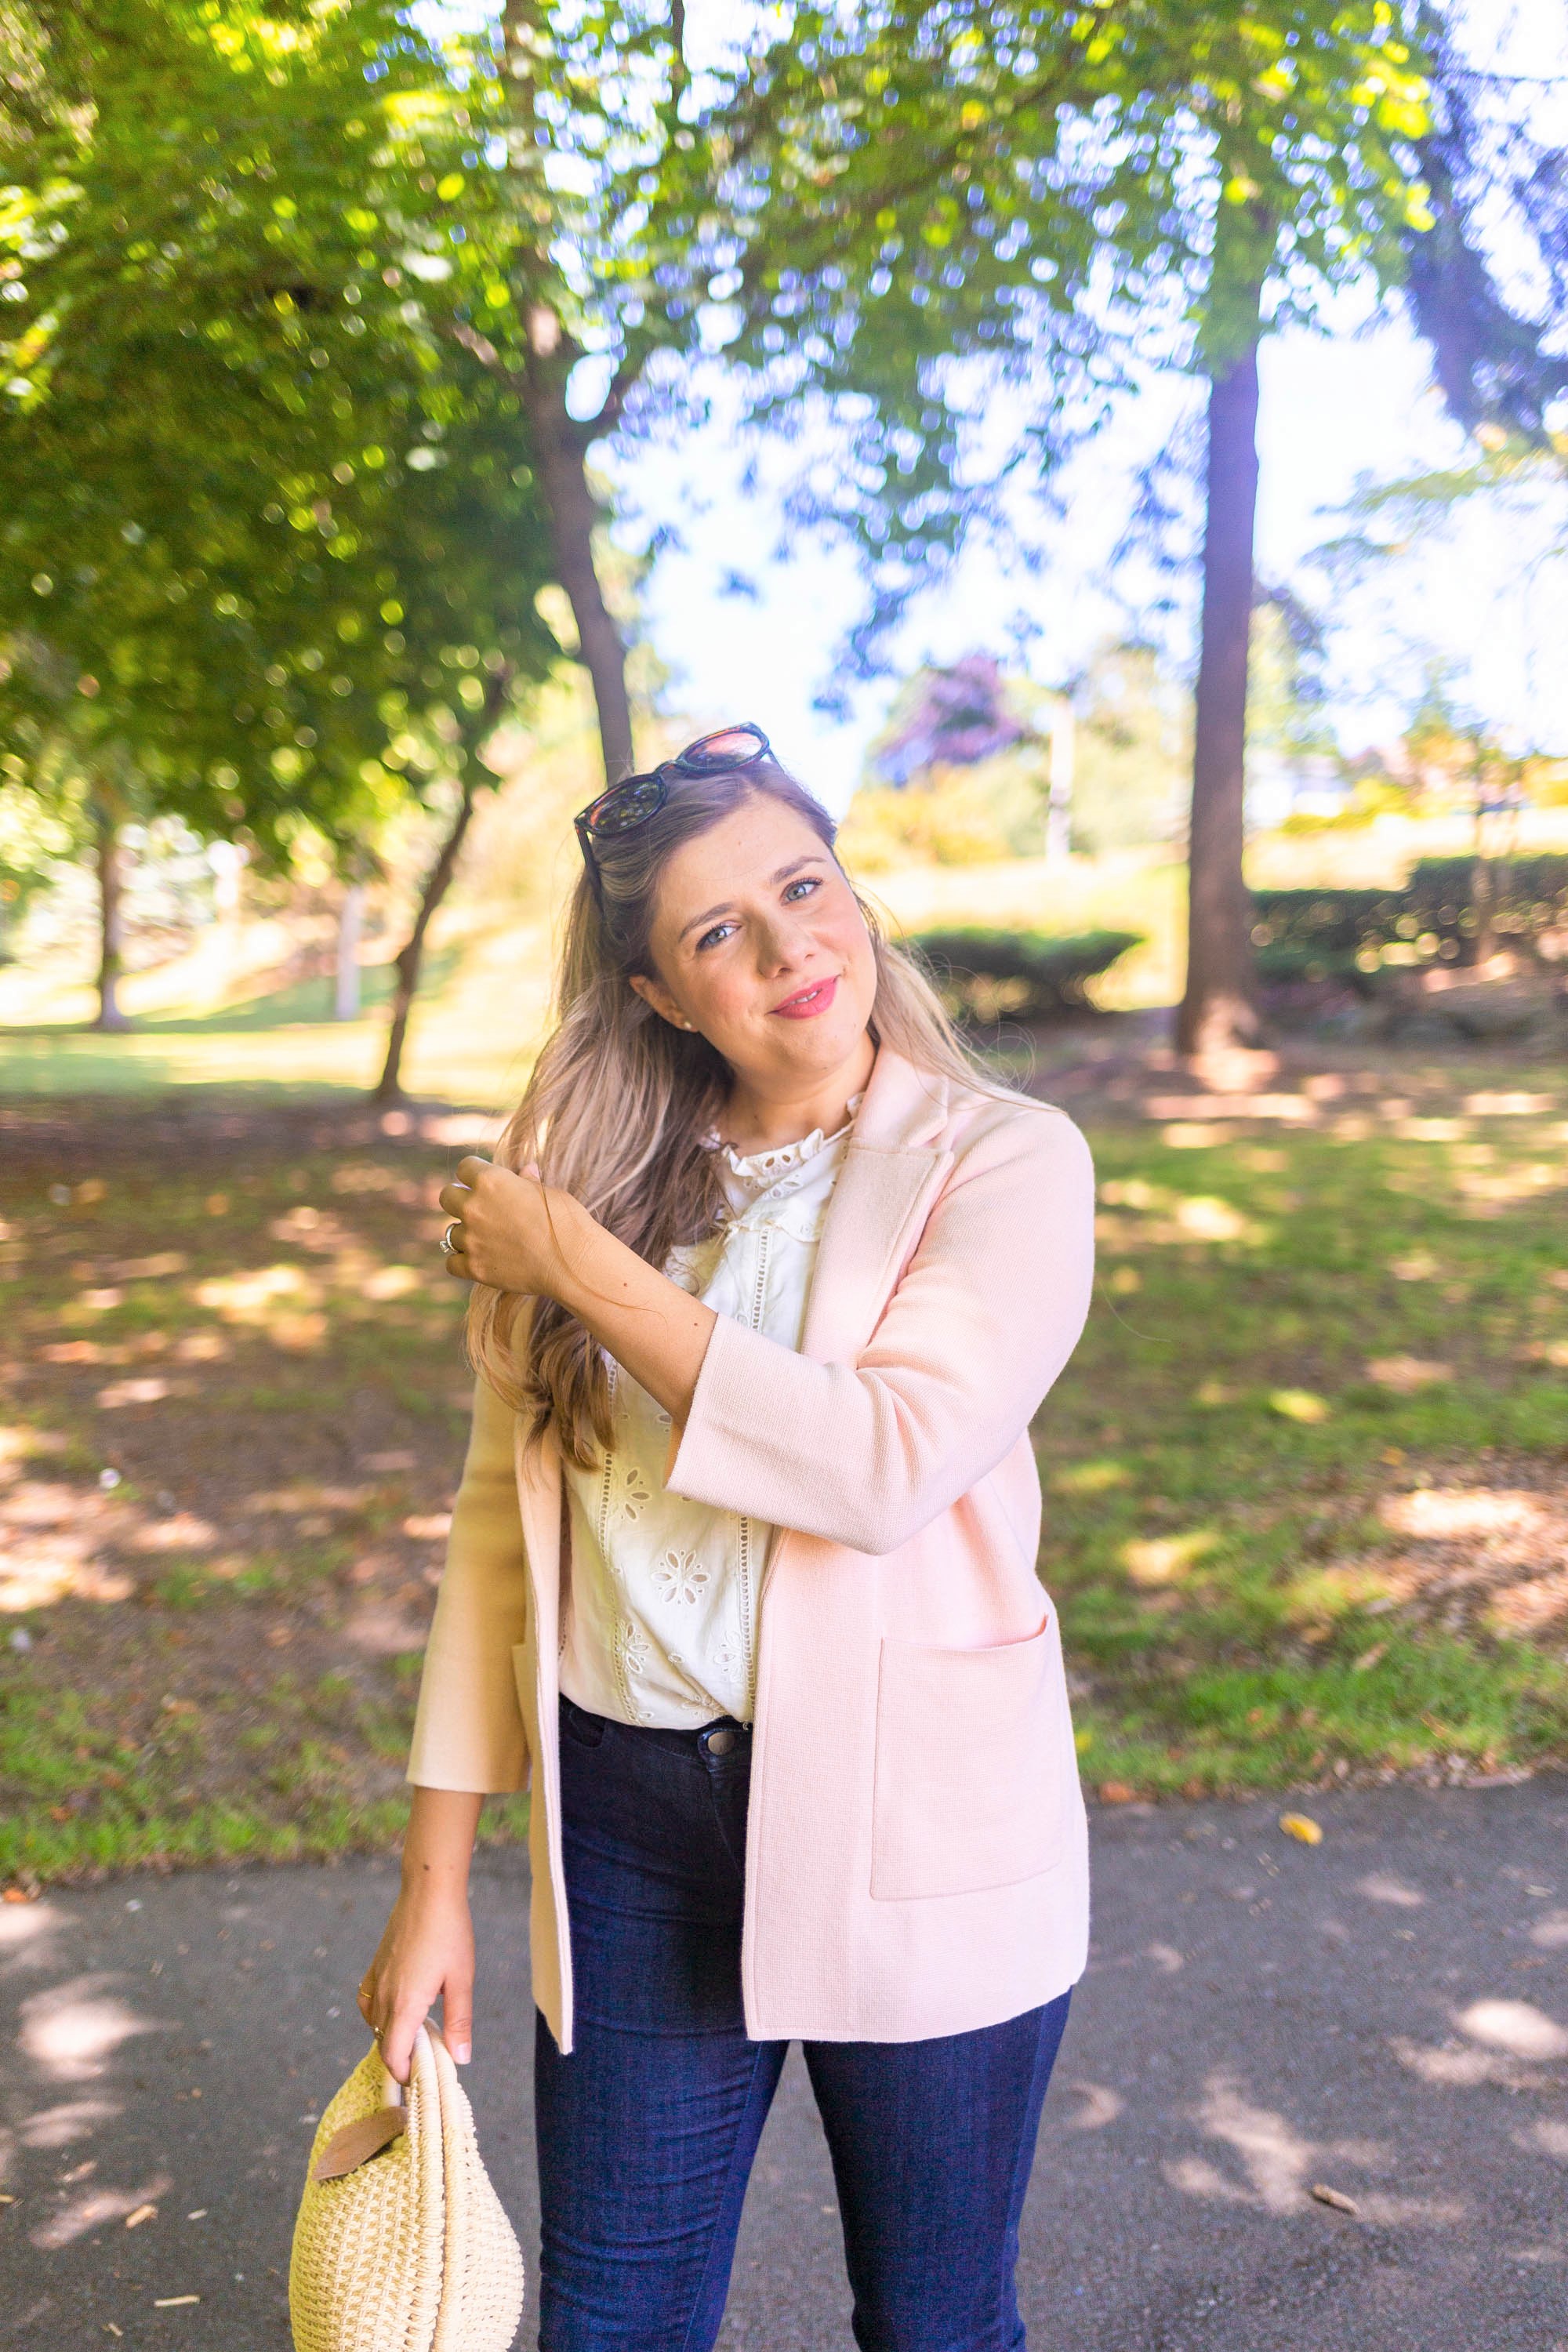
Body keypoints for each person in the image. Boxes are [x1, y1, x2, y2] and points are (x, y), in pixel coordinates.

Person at [357, 724, 1097, 2351]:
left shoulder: (1006, 1159)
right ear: (656, 994)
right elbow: (498, 1539)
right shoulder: (597, 1185)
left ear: (851, 890)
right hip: (623, 1821)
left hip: (914, 1820)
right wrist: (431, 1885)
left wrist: (573, 1267)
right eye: (715, 933)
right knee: (609, 2319)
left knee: (934, 2319)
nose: (787, 948)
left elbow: (882, 1461)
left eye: (802, 884)